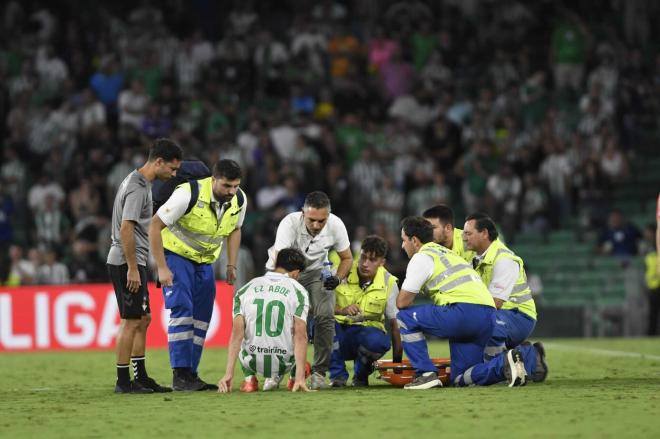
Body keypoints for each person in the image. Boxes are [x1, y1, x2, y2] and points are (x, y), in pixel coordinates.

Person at [395, 217, 546, 389]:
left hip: (465, 313)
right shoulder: (453, 255)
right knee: (460, 378)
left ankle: (425, 374)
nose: (402, 245)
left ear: (414, 240)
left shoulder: (422, 256)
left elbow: (402, 302)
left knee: (404, 317)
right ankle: (505, 362)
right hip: (487, 316)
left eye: (403, 240)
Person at [149, 159, 246, 391]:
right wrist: (161, 267)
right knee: (182, 309)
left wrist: (231, 264)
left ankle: (191, 374)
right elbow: (154, 226)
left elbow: (235, 229)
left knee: (202, 316)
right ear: (213, 180)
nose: (232, 192)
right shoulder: (187, 194)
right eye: (226, 186)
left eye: (235, 186)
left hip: (205, 262)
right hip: (176, 256)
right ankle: (180, 374)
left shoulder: (240, 199)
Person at [107, 138, 182, 394]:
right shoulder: (139, 188)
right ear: (158, 161)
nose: (173, 174)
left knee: (144, 318)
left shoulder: (139, 182)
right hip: (126, 261)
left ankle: (140, 376)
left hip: (133, 260)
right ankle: (123, 381)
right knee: (130, 320)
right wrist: (131, 267)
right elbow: (126, 228)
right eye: (171, 169)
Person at [266, 191, 353, 389]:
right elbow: (281, 260)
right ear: (302, 213)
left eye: (321, 221)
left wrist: (338, 279)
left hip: (316, 274)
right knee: (282, 319)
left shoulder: (336, 225)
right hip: (284, 271)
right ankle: (276, 371)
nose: (316, 225)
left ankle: (319, 372)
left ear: (328, 216)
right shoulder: (289, 223)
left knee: (325, 316)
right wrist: (286, 282)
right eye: (312, 219)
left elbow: (347, 258)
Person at [217, 248, 311, 393]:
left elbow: (237, 335)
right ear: (296, 273)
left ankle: (249, 380)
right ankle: (294, 379)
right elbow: (301, 336)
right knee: (299, 331)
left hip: (252, 362)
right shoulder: (299, 291)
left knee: (243, 332)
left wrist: (228, 374)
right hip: (284, 364)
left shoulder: (245, 289)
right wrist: (301, 378)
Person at [329, 235, 401, 387]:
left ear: (382, 262)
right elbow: (318, 308)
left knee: (379, 341)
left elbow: (396, 326)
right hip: (339, 335)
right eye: (363, 257)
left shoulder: (389, 282)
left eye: (373, 260)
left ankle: (361, 376)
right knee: (319, 325)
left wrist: (397, 365)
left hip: (367, 336)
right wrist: (342, 310)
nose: (365, 263)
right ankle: (337, 377)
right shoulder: (339, 272)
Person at [462, 213, 537, 360]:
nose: (464, 238)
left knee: (485, 322)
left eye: (468, 233)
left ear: (484, 233)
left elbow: (495, 303)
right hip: (502, 315)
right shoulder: (476, 259)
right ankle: (528, 357)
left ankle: (497, 368)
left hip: (519, 316)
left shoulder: (504, 259)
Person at [643, 223, 660, 336]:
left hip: (656, 283)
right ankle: (651, 334)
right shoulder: (647, 247)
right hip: (653, 284)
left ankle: (651, 334)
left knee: (653, 312)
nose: (646, 235)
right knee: (653, 312)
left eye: (648, 232)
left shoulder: (655, 246)